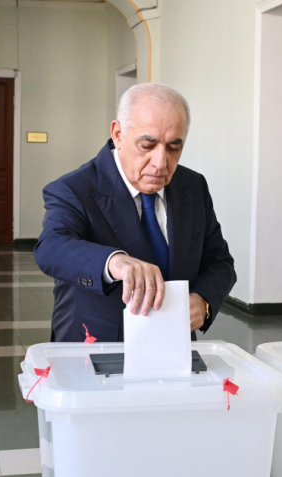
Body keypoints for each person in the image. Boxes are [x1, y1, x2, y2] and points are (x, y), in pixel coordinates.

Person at [34, 83, 237, 342]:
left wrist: (203, 301)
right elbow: (51, 247)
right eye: (147, 145)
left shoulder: (193, 187)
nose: (160, 163)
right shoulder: (74, 188)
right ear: (118, 133)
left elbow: (220, 262)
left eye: (174, 148)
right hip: (96, 349)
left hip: (174, 349)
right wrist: (113, 262)